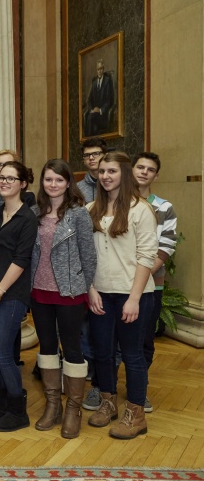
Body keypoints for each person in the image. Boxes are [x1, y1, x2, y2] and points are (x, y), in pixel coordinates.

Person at [86, 152, 157, 439]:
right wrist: (91, 289)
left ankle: (136, 415)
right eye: (102, 171)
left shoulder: (141, 210)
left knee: (132, 355)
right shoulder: (91, 208)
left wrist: (134, 298)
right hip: (100, 294)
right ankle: (108, 403)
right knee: (102, 352)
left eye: (112, 171)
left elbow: (147, 256)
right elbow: (86, 256)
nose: (105, 176)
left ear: (124, 173)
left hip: (133, 295)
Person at [30, 159, 96, 439]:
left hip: (69, 291)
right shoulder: (34, 213)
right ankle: (53, 404)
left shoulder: (78, 214)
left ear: (68, 182)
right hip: (39, 291)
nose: (53, 184)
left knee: (72, 348)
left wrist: (86, 287)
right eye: (48, 179)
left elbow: (88, 255)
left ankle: (73, 409)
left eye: (59, 179)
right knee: (46, 347)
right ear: (42, 182)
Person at [0, 161, 38, 432]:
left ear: (23, 184)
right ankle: (1, 407)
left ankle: (18, 410)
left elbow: (21, 260)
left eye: (11, 178)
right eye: (1, 177)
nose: (4, 182)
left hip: (12, 295)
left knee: (1, 352)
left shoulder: (28, 218)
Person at [132, 151, 177, 413]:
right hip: (116, 283)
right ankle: (105, 388)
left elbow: (166, 245)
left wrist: (143, 273)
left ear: (156, 176)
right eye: (140, 167)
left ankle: (140, 389)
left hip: (151, 284)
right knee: (113, 339)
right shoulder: (119, 202)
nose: (144, 172)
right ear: (132, 170)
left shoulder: (164, 207)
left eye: (150, 169)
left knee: (145, 339)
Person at [77, 137, 108, 411]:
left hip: (112, 266)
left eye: (96, 154)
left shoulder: (117, 185)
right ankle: (89, 368)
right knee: (86, 324)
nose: (92, 159)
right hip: (85, 266)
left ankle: (107, 373)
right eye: (87, 155)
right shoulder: (78, 190)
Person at [84, 60, 115, 137]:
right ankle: (90, 139)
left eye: (101, 69)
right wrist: (92, 109)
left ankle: (90, 140)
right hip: (94, 113)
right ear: (96, 70)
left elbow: (109, 101)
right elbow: (89, 100)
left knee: (90, 118)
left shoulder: (107, 81)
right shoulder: (94, 83)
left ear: (103, 69)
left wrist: (100, 110)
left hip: (103, 115)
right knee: (89, 117)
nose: (99, 71)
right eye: (98, 69)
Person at [77, 137, 108, 202]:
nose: (91, 158)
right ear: (84, 160)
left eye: (96, 154)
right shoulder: (77, 189)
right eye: (87, 155)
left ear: (105, 156)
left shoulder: (113, 183)